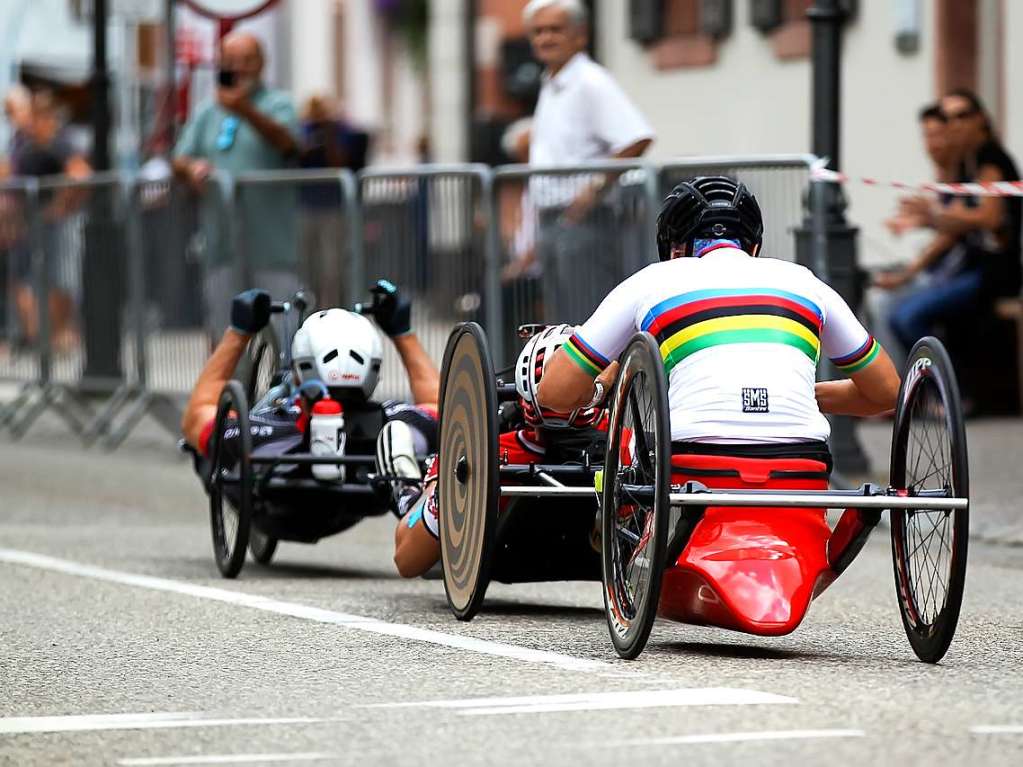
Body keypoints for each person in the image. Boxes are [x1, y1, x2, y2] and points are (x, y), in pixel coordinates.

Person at [537, 176, 900, 457]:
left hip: (695, 461)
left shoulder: (652, 280)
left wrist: (599, 387)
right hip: (802, 461)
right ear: (754, 245)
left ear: (674, 248)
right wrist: (788, 395)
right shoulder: (804, 281)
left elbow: (554, 392)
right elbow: (886, 392)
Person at [182, 280, 440, 512]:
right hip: (364, 496)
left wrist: (238, 332)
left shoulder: (265, 432)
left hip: (278, 509)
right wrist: (403, 334)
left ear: (299, 374)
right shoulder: (401, 424)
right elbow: (438, 407)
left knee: (205, 451)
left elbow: (197, 415)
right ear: (373, 372)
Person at [382, 323, 606, 578]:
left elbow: (406, 560)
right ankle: (415, 489)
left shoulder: (487, 453)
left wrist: (440, 486)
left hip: (498, 553)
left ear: (523, 396)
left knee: (408, 437)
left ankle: (411, 490)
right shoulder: (630, 443)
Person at [524, 0, 655, 323]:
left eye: (555, 30)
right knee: (562, 318)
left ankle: (594, 376)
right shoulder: (553, 82)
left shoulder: (590, 81)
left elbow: (636, 136)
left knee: (586, 316)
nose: (545, 39)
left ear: (580, 36)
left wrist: (592, 190)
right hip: (552, 217)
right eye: (539, 31)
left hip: (584, 219)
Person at [173, 32, 301, 336]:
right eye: (230, 61)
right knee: (225, 333)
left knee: (283, 331)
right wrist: (192, 168)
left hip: (271, 246)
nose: (239, 68)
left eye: (247, 60)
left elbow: (289, 144)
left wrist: (244, 109)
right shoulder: (207, 111)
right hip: (221, 245)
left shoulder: (278, 103)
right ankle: (232, 384)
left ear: (261, 63)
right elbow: (179, 157)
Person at [886, 90, 1021, 354]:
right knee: (897, 312)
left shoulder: (990, 158)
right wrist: (928, 220)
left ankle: (943, 387)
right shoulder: (966, 163)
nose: (954, 124)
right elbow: (955, 225)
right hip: (969, 270)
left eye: (962, 115)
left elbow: (988, 217)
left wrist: (932, 216)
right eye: (947, 118)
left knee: (907, 316)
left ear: (981, 118)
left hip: (993, 273)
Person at [867, 104, 963, 365]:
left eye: (938, 135)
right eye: (927, 136)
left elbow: (953, 233)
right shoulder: (946, 172)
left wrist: (906, 275)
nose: (932, 145)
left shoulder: (964, 172)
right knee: (878, 300)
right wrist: (918, 220)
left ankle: (901, 387)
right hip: (940, 271)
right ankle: (897, 386)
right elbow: (946, 224)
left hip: (953, 273)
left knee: (886, 305)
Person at [9, 91, 92, 352]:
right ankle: (43, 338)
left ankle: (59, 336)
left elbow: (80, 175)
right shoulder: (25, 144)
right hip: (33, 225)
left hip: (60, 224)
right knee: (33, 280)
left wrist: (59, 206)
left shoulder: (60, 142)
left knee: (61, 279)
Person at [297, 95, 368, 308]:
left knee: (332, 267)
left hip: (334, 208)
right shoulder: (305, 130)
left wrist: (328, 133)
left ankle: (333, 309)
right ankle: (312, 310)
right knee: (309, 267)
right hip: (306, 206)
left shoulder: (341, 131)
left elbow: (340, 161)